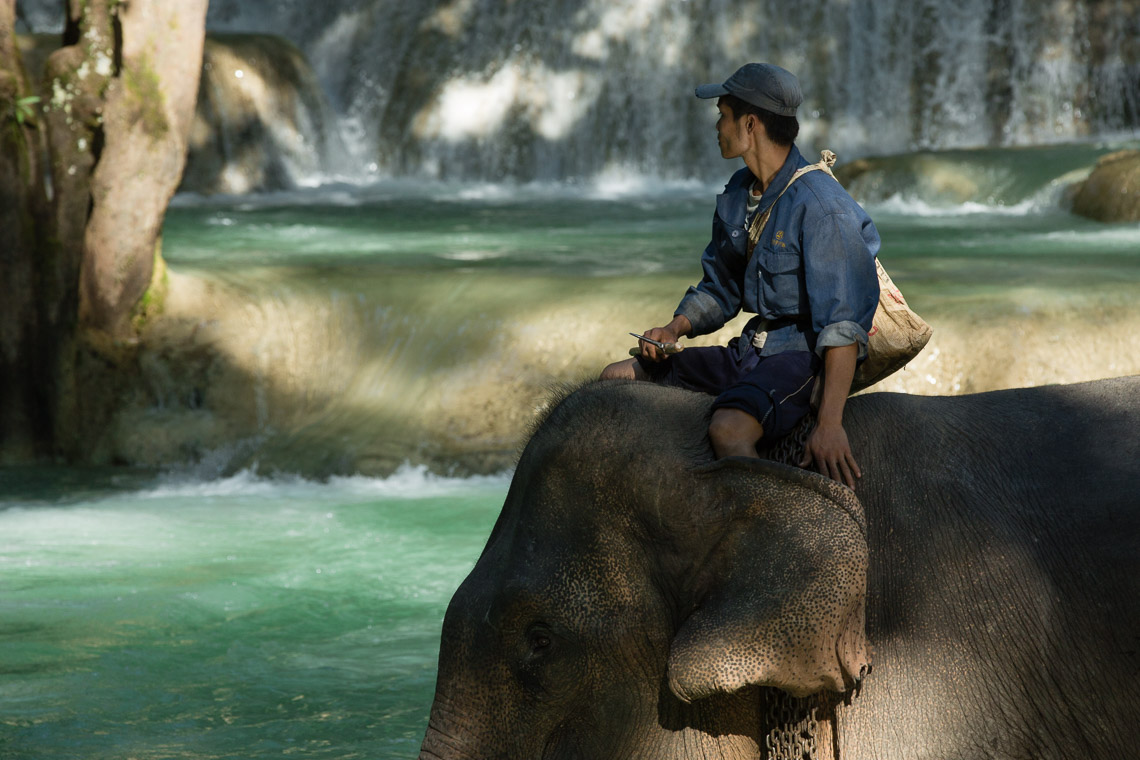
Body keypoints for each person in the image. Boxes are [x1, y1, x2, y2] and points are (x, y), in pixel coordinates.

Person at [600, 62, 880, 489]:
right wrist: (675, 328)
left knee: (729, 431)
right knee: (616, 377)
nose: (717, 126)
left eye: (722, 115)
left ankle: (765, 535)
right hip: (749, 352)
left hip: (798, 359)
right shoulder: (738, 194)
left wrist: (830, 424)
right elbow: (721, 287)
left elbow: (843, 326)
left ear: (749, 125)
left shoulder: (823, 207)